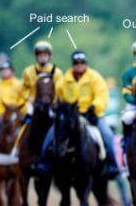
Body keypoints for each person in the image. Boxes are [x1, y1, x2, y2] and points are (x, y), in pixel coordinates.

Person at [33, 50, 119, 179]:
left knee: (107, 135)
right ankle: (43, 161)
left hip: (91, 114)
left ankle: (113, 164)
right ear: (73, 64)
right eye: (76, 63)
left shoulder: (95, 77)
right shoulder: (64, 80)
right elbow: (58, 96)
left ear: (86, 64)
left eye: (82, 62)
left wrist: (95, 106)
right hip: (70, 116)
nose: (79, 65)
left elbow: (102, 95)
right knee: (52, 132)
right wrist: (58, 105)